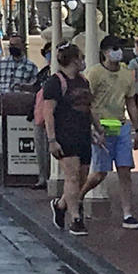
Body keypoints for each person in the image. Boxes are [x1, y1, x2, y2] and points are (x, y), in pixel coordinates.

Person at [79, 36, 138, 229]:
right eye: (115, 48)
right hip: (101, 127)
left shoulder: (126, 74)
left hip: (121, 126)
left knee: (125, 170)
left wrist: (137, 128)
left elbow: (131, 101)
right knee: (99, 173)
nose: (119, 52)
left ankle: (128, 213)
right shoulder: (95, 74)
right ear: (105, 52)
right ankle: (78, 198)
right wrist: (92, 127)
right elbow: (86, 101)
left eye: (120, 48)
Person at [44, 43, 95, 237]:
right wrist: (52, 139)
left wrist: (97, 130)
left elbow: (89, 108)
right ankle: (75, 218)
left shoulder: (83, 81)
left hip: (83, 134)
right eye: (81, 58)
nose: (83, 61)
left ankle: (61, 204)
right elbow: (48, 112)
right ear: (74, 59)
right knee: (72, 177)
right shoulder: (55, 82)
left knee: (82, 178)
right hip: (65, 135)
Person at [0, 32, 39, 183]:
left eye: (15, 45)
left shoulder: (30, 66)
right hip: (4, 105)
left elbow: (36, 87)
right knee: (0, 140)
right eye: (10, 46)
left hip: (21, 108)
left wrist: (25, 88)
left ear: (22, 46)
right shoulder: (3, 64)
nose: (12, 48)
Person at [31, 41, 52, 190]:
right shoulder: (43, 73)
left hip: (57, 117)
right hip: (40, 116)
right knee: (41, 148)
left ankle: (53, 178)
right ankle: (42, 177)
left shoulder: (62, 75)